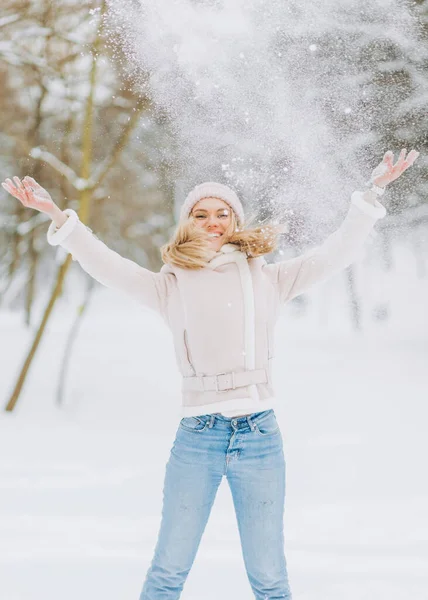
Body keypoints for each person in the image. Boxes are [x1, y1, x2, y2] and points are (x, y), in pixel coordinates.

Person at [1, 148, 419, 599]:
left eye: (223, 213)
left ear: (235, 221)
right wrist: (54, 214)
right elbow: (106, 264)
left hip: (260, 437)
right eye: (201, 214)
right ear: (188, 223)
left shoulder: (270, 279)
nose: (213, 221)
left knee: (270, 578)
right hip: (197, 437)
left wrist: (372, 192)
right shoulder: (170, 284)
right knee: (167, 572)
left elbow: (336, 253)